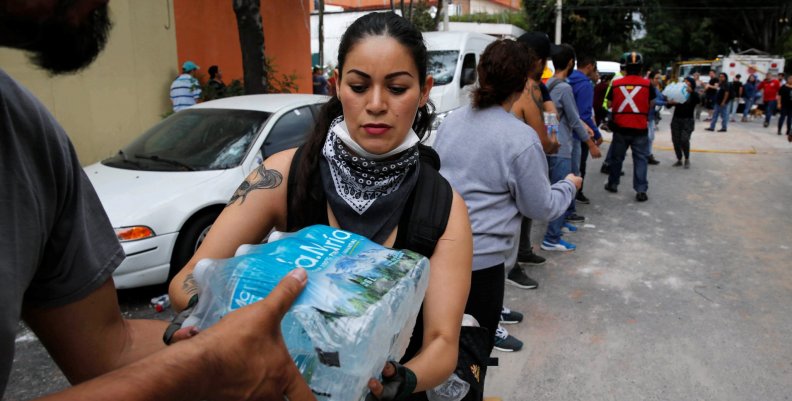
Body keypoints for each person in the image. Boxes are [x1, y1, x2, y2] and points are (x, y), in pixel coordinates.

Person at [0, 1, 314, 400]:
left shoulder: (26, 134)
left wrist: (249, 342)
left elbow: (112, 348)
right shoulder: (283, 170)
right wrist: (206, 360)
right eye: (358, 85)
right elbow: (187, 284)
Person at [168, 12, 473, 399]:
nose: (376, 104)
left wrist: (401, 378)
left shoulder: (444, 209)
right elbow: (190, 276)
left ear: (425, 90)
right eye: (359, 86)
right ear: (336, 85)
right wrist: (207, 312)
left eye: (396, 88)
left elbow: (443, 342)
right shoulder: (283, 175)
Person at [433, 39, 581, 353]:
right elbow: (540, 206)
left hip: (442, 251)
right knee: (472, 355)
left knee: (450, 340)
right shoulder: (519, 138)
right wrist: (569, 185)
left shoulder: (450, 122)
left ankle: (493, 316)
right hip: (482, 262)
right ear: (521, 86)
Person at [541, 44, 601, 252]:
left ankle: (560, 224)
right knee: (563, 187)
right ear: (570, 63)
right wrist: (591, 143)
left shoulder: (549, 84)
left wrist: (552, 134)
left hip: (552, 146)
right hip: (563, 148)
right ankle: (552, 237)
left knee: (556, 186)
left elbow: (552, 116)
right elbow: (575, 120)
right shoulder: (564, 88)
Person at [604, 51, 655, 202]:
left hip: (620, 128)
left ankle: (613, 184)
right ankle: (641, 190)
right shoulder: (647, 84)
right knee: (641, 159)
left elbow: (609, 104)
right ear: (640, 68)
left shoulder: (616, 84)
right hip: (640, 128)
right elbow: (651, 103)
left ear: (625, 68)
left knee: (617, 158)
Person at [568, 54, 604, 201]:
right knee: (578, 167)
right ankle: (573, 198)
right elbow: (584, 115)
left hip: (562, 132)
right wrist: (596, 134)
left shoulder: (566, 81)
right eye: (594, 69)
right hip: (578, 133)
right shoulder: (585, 85)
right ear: (589, 66)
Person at [666, 77, 700, 168]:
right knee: (675, 140)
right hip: (676, 119)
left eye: (688, 82)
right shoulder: (678, 92)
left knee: (684, 139)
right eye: (684, 82)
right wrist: (670, 102)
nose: (685, 84)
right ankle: (679, 159)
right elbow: (668, 105)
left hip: (687, 120)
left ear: (692, 84)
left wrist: (691, 92)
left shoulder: (693, 94)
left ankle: (687, 159)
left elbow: (698, 100)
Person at [647, 71, 666, 164]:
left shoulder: (655, 88)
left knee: (651, 137)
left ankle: (648, 155)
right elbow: (655, 101)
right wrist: (667, 102)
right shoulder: (647, 88)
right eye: (656, 78)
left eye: (659, 78)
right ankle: (646, 155)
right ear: (650, 79)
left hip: (651, 116)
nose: (658, 80)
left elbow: (661, 97)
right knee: (648, 137)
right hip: (645, 117)